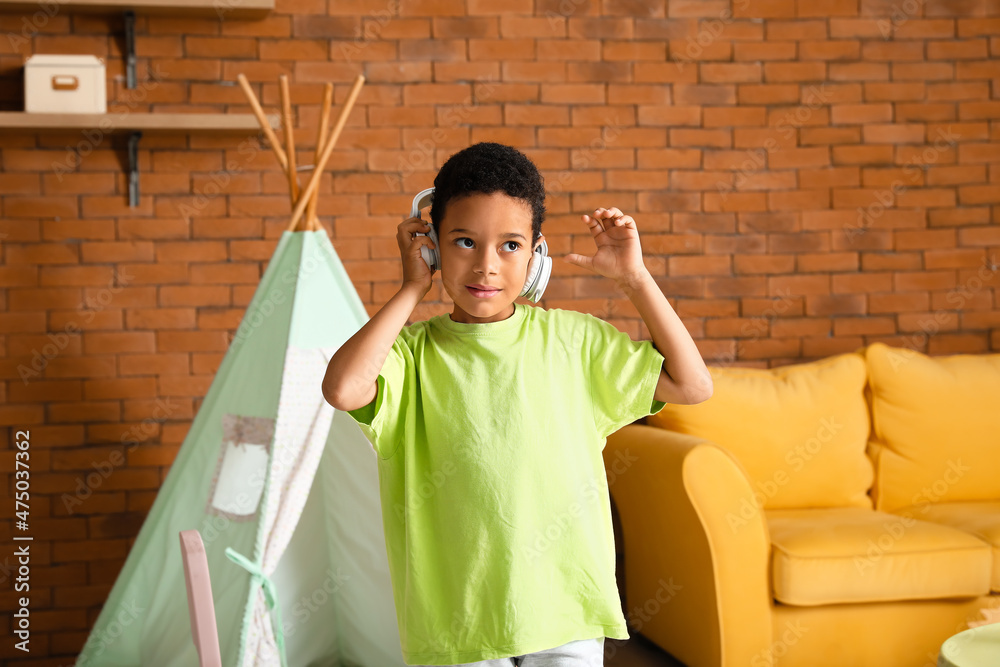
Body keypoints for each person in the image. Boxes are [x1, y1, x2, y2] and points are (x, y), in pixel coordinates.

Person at [322, 142, 713, 666]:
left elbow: (692, 386)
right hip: (457, 621)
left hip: (566, 608)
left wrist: (634, 280)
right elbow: (344, 389)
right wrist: (411, 288)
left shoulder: (574, 342)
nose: (486, 265)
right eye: (464, 241)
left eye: (509, 245)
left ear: (536, 255)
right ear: (433, 246)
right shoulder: (410, 357)